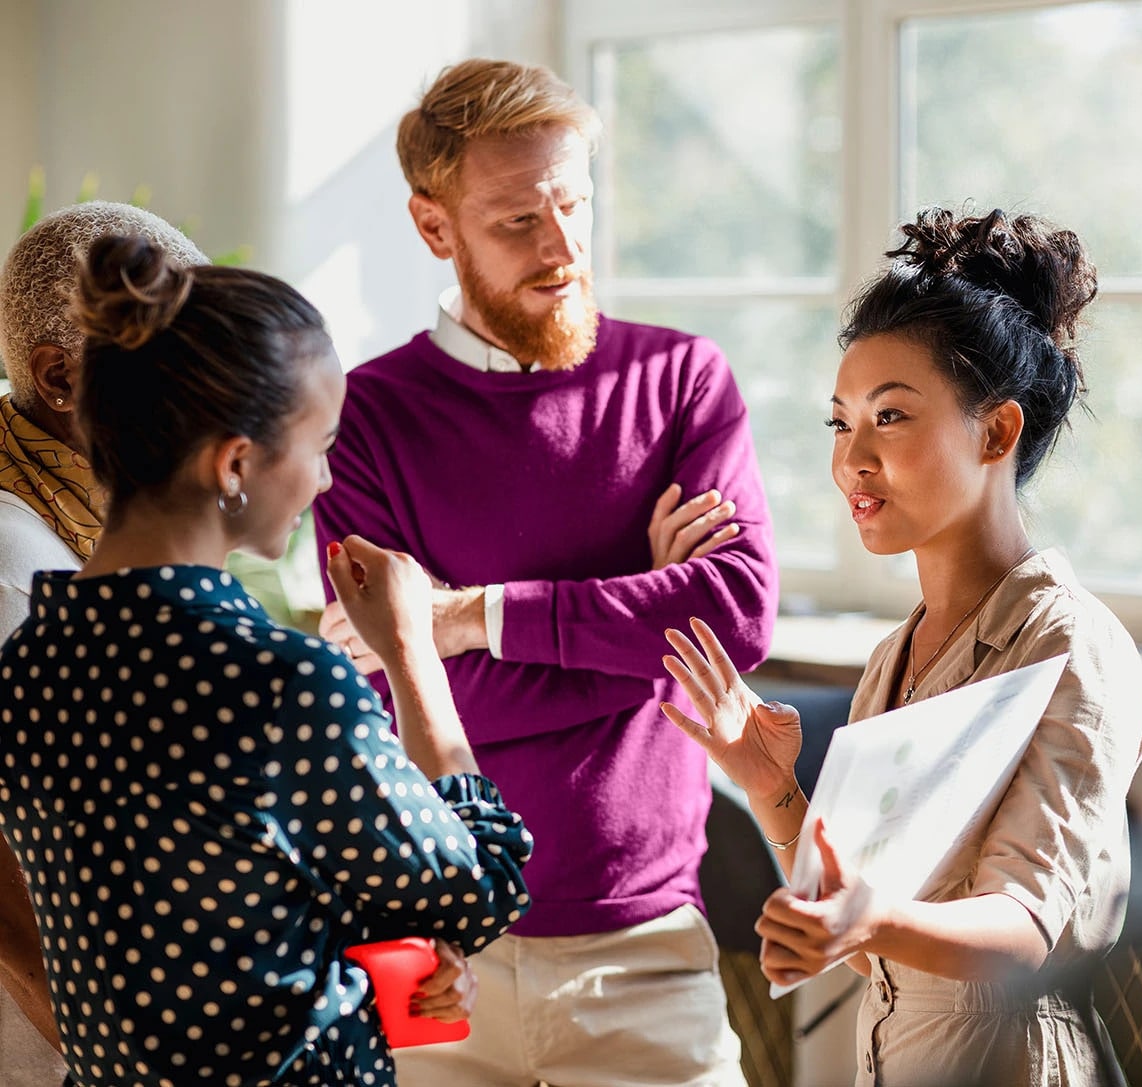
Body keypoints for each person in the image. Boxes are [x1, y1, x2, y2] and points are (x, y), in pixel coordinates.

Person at [312, 58, 775, 1087]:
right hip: (436, 958)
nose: (562, 246)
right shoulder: (363, 420)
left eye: (574, 203)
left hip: (647, 951)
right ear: (435, 228)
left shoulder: (681, 381)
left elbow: (732, 619)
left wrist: (466, 618)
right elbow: (394, 694)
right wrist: (640, 636)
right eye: (518, 221)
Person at [0, 234, 535, 1086]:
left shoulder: (27, 666)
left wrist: (366, 959)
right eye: (319, 444)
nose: (325, 480)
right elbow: (480, 886)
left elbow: (200, 903)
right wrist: (409, 652)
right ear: (237, 463)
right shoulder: (279, 685)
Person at [662, 208, 1142, 1086]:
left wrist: (870, 920)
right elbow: (863, 940)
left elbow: (1022, 930)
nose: (853, 458)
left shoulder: (1070, 644)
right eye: (839, 423)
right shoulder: (896, 655)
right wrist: (772, 787)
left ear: (997, 433)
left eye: (890, 417)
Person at [0, 201, 209, 1085]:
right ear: (59, 379)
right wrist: (109, 1046)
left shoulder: (99, 520)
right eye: (180, 363)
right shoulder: (20, 571)